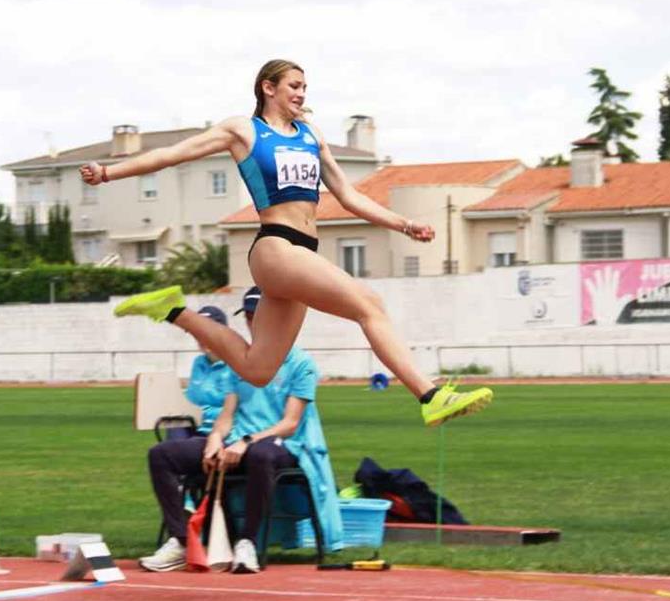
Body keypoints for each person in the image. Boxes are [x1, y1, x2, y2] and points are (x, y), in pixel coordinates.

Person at [84, 59, 491, 427]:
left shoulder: (311, 135)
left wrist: (403, 224)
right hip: (275, 247)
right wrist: (108, 172)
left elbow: (348, 196)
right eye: (294, 86)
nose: (301, 94)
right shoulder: (243, 130)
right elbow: (173, 155)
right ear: (268, 88)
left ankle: (171, 309)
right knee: (371, 305)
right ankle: (430, 394)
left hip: (300, 252)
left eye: (304, 88)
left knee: (258, 369)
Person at [140, 287, 343, 573]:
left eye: (255, 316)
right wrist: (214, 438)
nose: (250, 323)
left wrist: (246, 441)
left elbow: (289, 424)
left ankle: (246, 543)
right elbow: (227, 413)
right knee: (162, 454)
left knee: (261, 455)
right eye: (247, 316)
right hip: (238, 442)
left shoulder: (301, 364)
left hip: (284, 447)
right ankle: (181, 540)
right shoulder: (241, 360)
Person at [175, 305, 235, 438]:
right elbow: (191, 399)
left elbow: (236, 410)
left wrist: (199, 412)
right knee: (174, 426)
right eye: (197, 333)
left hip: (226, 434)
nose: (202, 338)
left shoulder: (237, 364)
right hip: (197, 427)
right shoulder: (198, 363)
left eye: (207, 332)